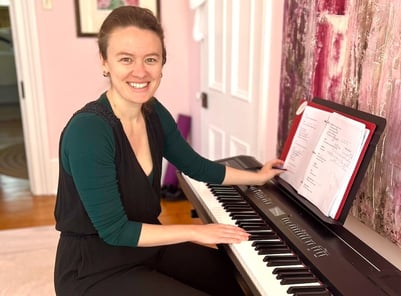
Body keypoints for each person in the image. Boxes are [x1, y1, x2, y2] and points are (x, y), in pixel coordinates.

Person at [53, 6, 284, 296]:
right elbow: (115, 231)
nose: (140, 71)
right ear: (104, 62)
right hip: (93, 267)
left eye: (151, 59)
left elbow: (196, 166)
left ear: (162, 63)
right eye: (126, 59)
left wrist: (257, 176)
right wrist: (195, 230)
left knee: (234, 280)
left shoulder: (154, 113)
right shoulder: (88, 131)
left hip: (146, 247)